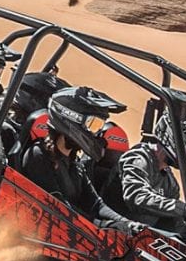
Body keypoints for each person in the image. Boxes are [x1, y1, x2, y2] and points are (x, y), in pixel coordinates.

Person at [16, 86, 145, 233]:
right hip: (35, 234)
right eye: (93, 124)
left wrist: (127, 224)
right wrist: (101, 225)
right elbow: (57, 206)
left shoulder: (75, 164)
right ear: (72, 119)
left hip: (65, 234)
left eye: (99, 127)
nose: (96, 133)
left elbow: (96, 205)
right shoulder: (38, 155)